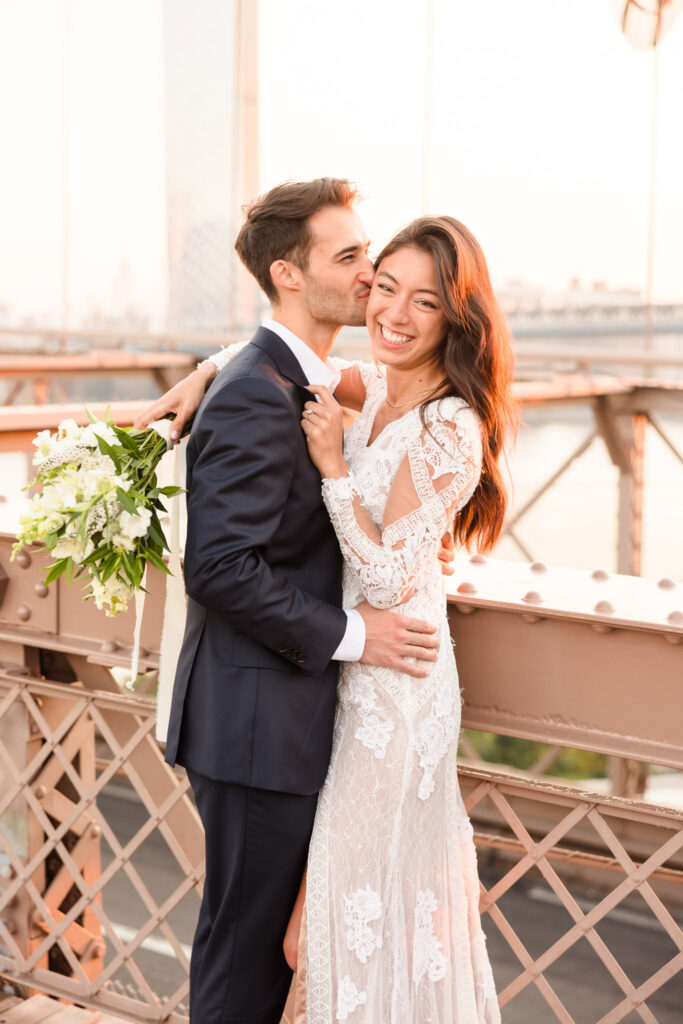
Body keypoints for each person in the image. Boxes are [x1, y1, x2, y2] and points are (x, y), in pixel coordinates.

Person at [138, 209, 516, 1022]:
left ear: (457, 317)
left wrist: (335, 467)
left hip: (393, 686)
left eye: (425, 302)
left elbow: (382, 578)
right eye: (384, 286)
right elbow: (288, 361)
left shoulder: (451, 424)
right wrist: (206, 369)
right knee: (320, 932)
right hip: (341, 678)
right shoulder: (376, 383)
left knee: (337, 931)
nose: (394, 313)